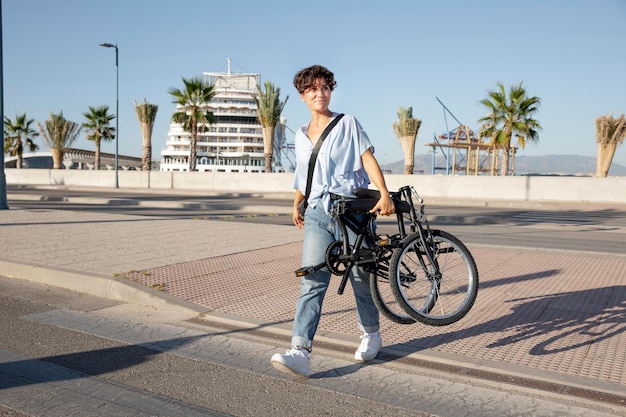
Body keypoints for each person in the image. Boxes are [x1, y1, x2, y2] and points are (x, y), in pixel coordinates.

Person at [270, 65, 395, 378]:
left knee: (360, 278)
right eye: (312, 89)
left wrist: (384, 193)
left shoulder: (347, 123)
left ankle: (371, 335)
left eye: (325, 87)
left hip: (351, 212)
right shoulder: (299, 135)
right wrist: (296, 204)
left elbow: (366, 157)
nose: (319, 94)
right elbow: (304, 175)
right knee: (312, 280)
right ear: (302, 95)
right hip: (317, 213)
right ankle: (300, 351)